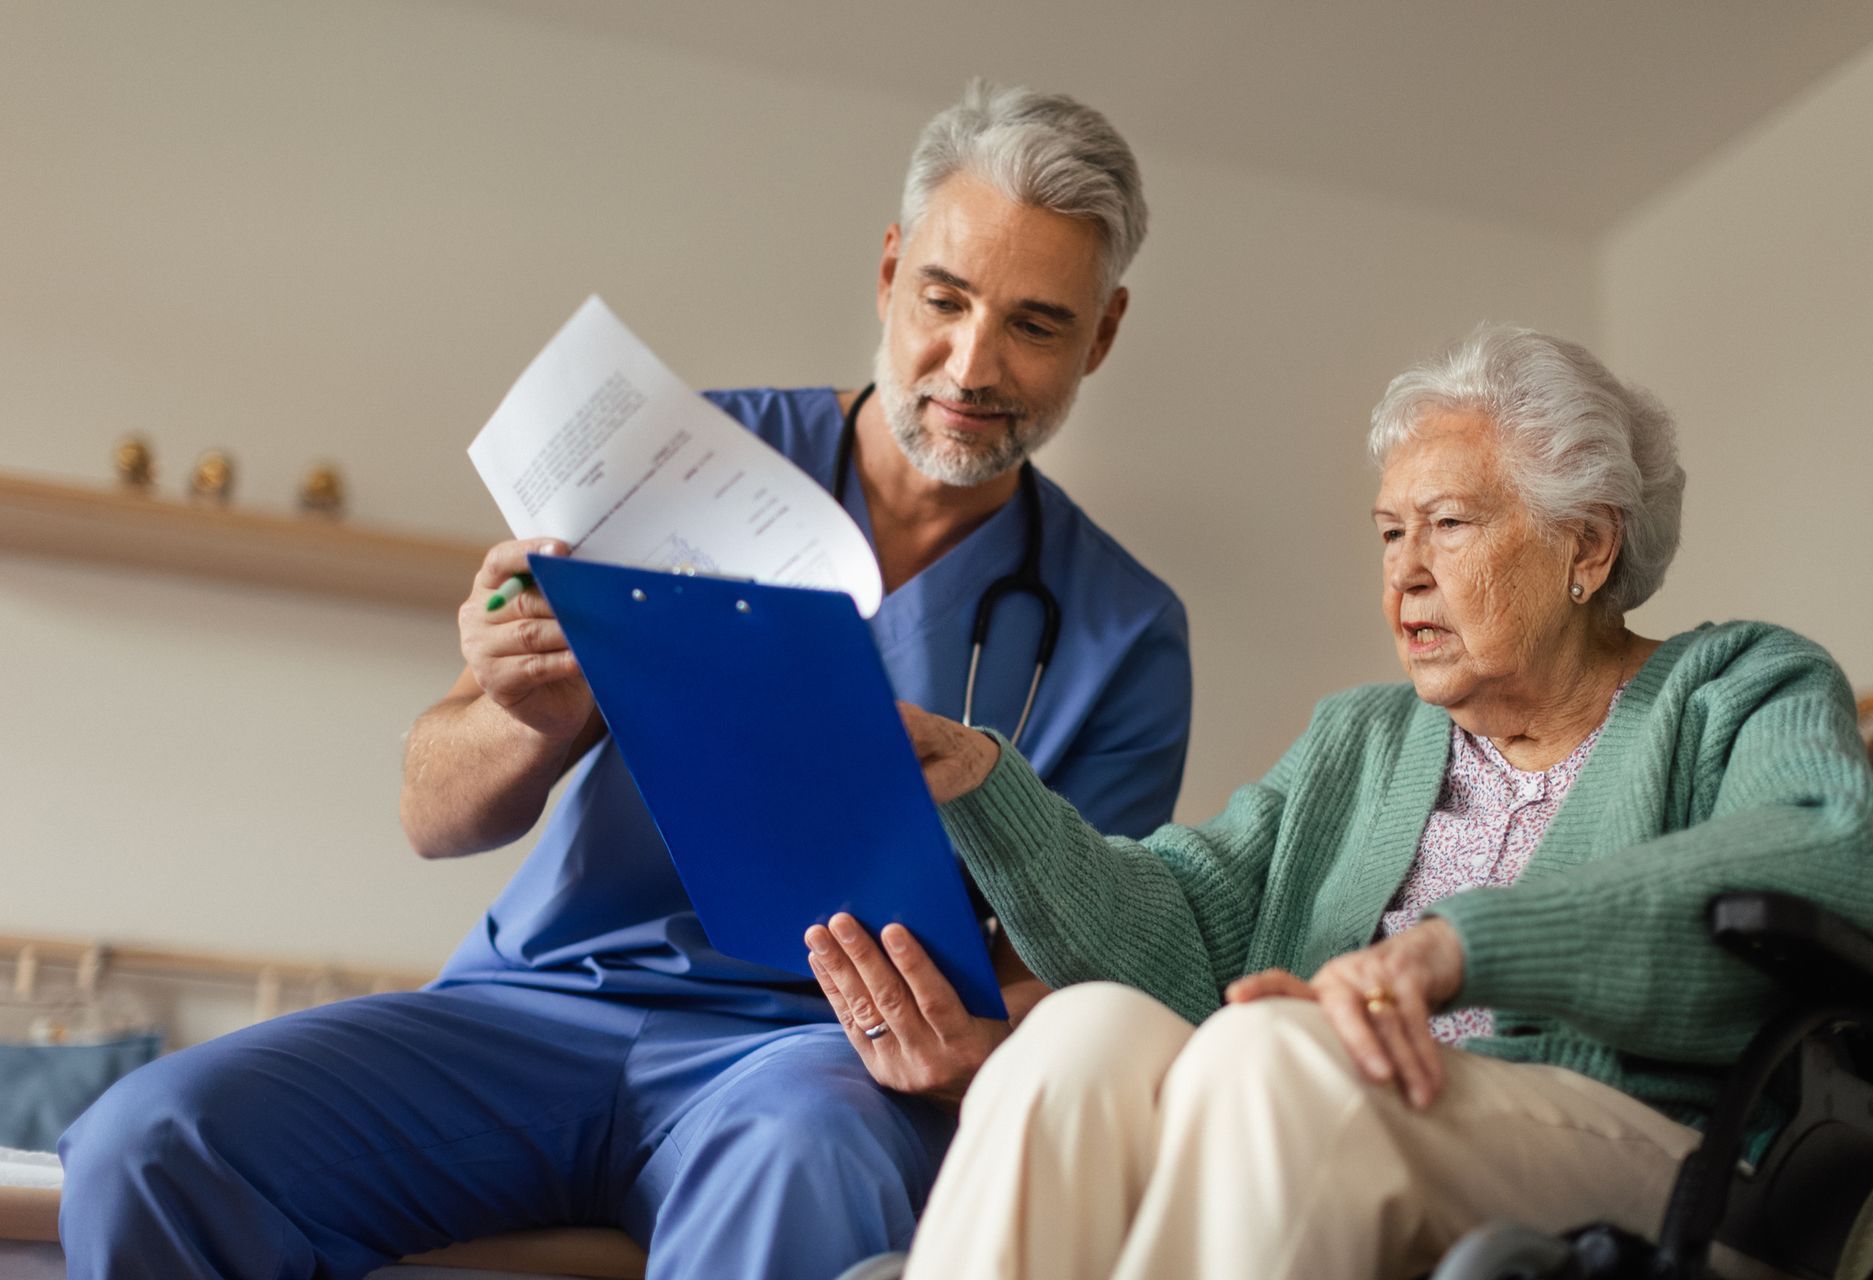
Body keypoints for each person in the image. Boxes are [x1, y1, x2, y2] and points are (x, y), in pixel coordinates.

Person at [57, 82, 1192, 1280]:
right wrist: (520, 714)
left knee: (806, 1161)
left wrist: (968, 1046)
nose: (971, 363)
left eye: (1034, 324)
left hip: (812, 1058)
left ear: (1103, 335)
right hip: (539, 1006)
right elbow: (431, 812)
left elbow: (1077, 969)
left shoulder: (1124, 633)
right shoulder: (677, 462)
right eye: (945, 299)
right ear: (890, 269)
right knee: (152, 1138)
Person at [804, 324, 1873, 1279]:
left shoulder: (1738, 686)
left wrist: (1457, 949)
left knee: (1273, 1054)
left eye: (1448, 524)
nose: (1404, 574)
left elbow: (1822, 860)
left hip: (1649, 1143)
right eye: (1390, 533)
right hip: (1330, 1093)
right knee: (1080, 1033)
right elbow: (1182, 934)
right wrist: (983, 782)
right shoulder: (1365, 737)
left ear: (1585, 543)